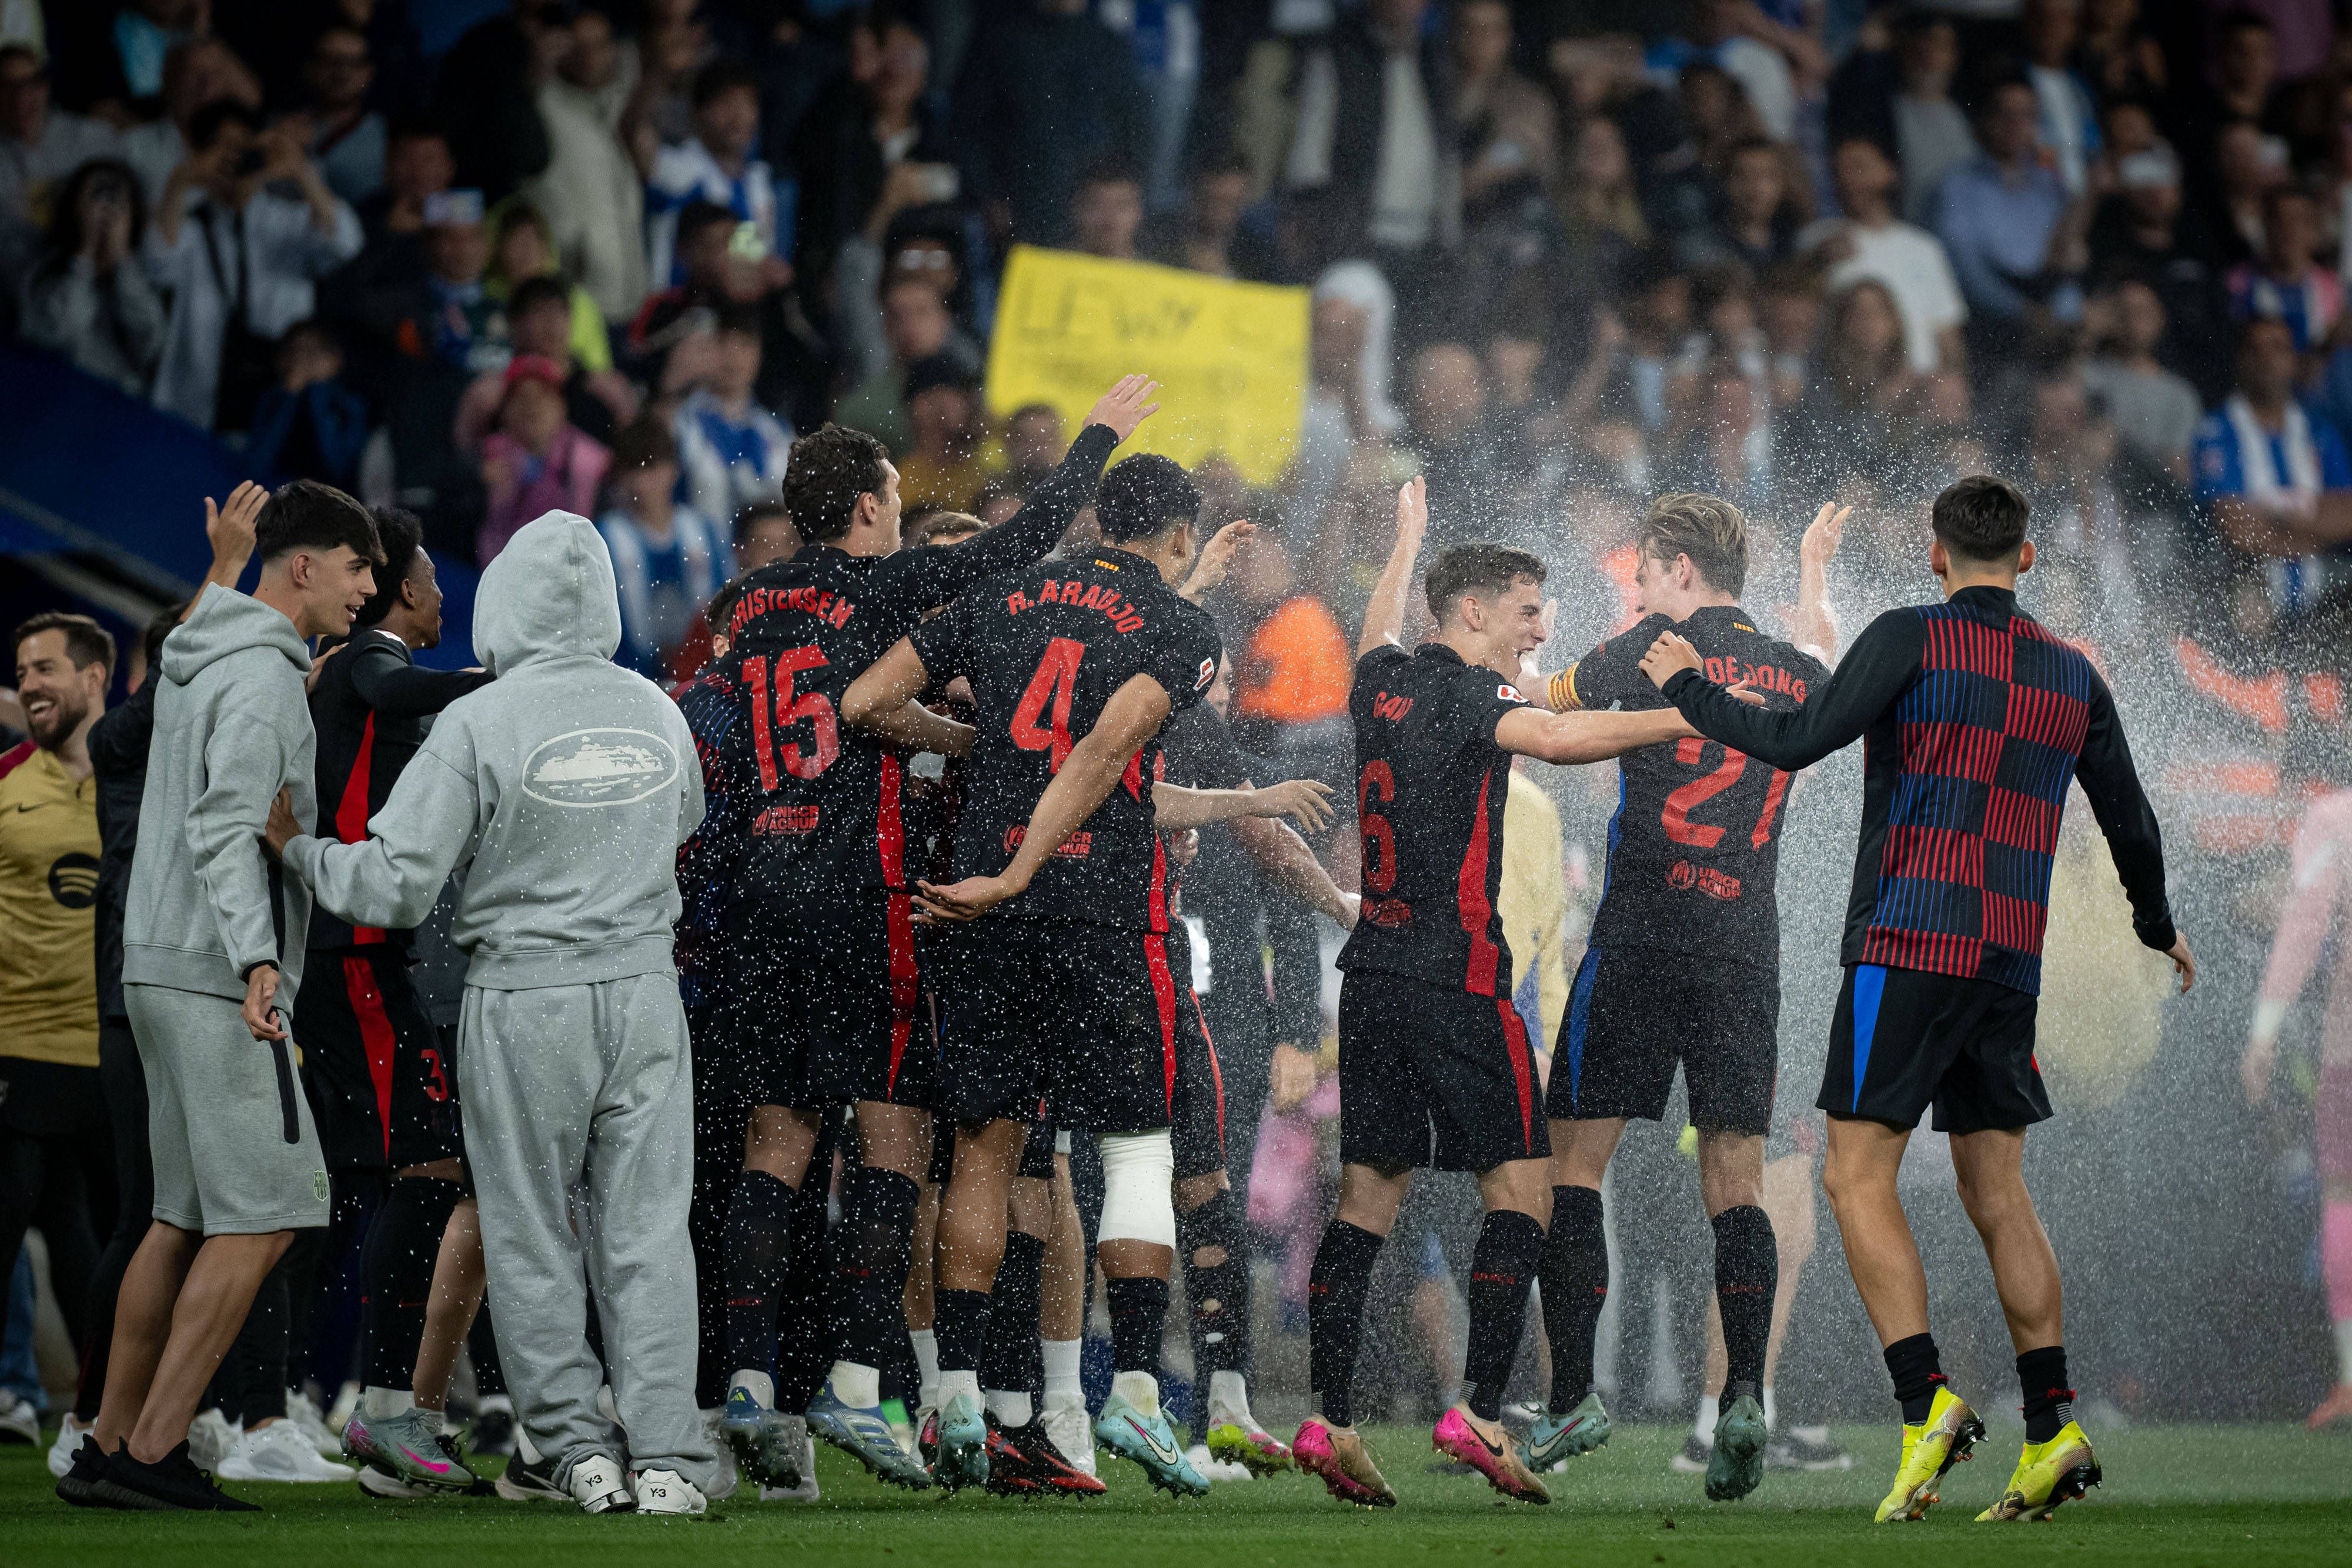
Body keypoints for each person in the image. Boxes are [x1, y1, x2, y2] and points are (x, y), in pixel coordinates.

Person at [1639, 473, 2192, 1524]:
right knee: (2000, 1193)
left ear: (1937, 556)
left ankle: (1924, 1401)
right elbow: (2131, 819)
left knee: (1854, 1175)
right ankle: (2053, 1425)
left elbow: (1799, 737)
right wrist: (2159, 927)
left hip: (1908, 943)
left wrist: (1689, 688)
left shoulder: (1910, 636)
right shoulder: (2074, 673)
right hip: (2005, 962)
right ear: (2025, 558)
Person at [696, 379, 1156, 1495]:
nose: (901, 514)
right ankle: (858, 1382)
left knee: (775, 1146)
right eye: (894, 496)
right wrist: (1097, 437)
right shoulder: (879, 590)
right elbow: (1033, 535)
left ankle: (747, 1381)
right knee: (896, 1135)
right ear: (864, 508)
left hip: (758, 894)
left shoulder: (740, 608)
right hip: (864, 894)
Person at [845, 452, 1332, 1498]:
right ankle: (1134, 1399)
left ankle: (963, 1395)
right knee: (1138, 1148)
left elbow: (867, 703)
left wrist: (975, 752)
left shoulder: (1000, 595)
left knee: (985, 1147)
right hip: (1099, 914)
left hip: (980, 910)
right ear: (1178, 542)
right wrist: (1027, 862)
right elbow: (1108, 751)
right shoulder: (1179, 628)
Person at [269, 509, 719, 1516]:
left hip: (524, 995)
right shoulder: (656, 707)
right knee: (650, 1232)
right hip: (646, 993)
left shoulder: (484, 716)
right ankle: (666, 1458)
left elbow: (389, 886)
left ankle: (574, 1452)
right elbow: (685, 820)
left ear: (506, 599)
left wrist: (298, 849)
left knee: (530, 1233)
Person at [1289, 480, 1705, 1509]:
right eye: (1526, 611)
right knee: (1522, 1194)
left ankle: (1329, 1416)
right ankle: (1477, 1408)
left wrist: (1405, 539)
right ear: (1471, 614)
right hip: (1463, 984)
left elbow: (1380, 622)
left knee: (1365, 1202)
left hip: (1373, 982)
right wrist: (1691, 714)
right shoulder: (1476, 696)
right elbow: (1562, 743)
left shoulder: (1379, 679)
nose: (1539, 631)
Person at [65, 481, 380, 1512]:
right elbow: (224, 826)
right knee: (276, 1210)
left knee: (178, 1216)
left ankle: (110, 1442)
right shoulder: (262, 679)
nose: (367, 588)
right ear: (302, 568)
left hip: (156, 963)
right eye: (355, 565)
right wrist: (257, 958)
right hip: (217, 973)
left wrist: (222, 563)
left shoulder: (205, 649)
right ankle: (157, 1446)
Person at [1524, 493, 1840, 1501]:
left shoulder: (1647, 647)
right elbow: (1826, 666)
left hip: (1640, 935)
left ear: (1681, 574)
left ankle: (1574, 1393)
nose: (1638, 588)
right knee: (1738, 1182)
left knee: (1573, 1167)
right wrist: (1815, 578)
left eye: (1646, 573)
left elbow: (1540, 698)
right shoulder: (1796, 670)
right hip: (1743, 950)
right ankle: (1744, 1395)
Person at [289, 508, 494, 1497]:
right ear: (402, 587)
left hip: (371, 951)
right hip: (358, 950)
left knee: (414, 1174)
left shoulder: (343, 670)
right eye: (431, 581)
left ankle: (381, 1410)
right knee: (421, 1172)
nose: (442, 597)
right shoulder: (365, 655)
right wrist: (505, 684)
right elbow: (392, 682)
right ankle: (376, 1410)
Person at [0, 611, 113, 1446]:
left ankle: (105, 1419)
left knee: (106, 1249)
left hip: (115, 1057)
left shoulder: (133, 785)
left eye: (45, 667)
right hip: (19, 1052)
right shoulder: (6, 782)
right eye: (22, 670)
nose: (31, 683)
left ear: (94, 678)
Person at [144, 99, 362, 433]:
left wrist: (302, 172)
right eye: (221, 149)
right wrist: (181, 182)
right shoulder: (191, 220)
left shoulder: (290, 219)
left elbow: (345, 244)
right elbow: (157, 263)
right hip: (200, 400)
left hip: (278, 396)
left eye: (243, 148)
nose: (233, 160)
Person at [2244, 779, 2352, 1429]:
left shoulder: (2336, 817)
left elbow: (2305, 919)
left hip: (2347, 1043)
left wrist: (2264, 1030)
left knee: (2342, 1194)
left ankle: (2350, 1381)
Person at [19, 157, 166, 398]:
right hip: (55, 398)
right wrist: (85, 256)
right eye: (97, 196)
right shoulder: (42, 273)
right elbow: (58, 336)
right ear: (74, 207)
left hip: (119, 409)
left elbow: (151, 341)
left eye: (118, 201)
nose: (107, 210)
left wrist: (121, 259)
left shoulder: (141, 277)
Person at [597, 417, 721, 677]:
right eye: (636, 471)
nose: (646, 482)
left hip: (702, 676)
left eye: (654, 468)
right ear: (622, 477)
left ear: (674, 470)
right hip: (627, 677)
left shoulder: (703, 532)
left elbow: (722, 608)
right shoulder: (605, 537)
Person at [672, 305, 793, 529]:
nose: (734, 357)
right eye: (725, 343)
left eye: (746, 345)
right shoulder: (680, 420)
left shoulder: (778, 431)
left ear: (760, 354)